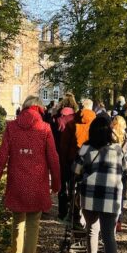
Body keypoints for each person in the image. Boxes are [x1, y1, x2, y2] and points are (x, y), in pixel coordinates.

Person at [0, 96, 60, 253]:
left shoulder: (11, 127)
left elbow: (1, 159)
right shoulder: (45, 128)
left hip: (16, 184)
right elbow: (53, 159)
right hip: (37, 185)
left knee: (17, 221)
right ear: (40, 109)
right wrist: (56, 184)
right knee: (33, 224)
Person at [74, 117, 126, 253]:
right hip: (111, 197)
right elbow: (124, 169)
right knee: (109, 235)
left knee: (92, 230)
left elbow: (75, 170)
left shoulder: (86, 147)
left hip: (90, 197)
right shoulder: (117, 149)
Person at [53, 93, 79, 221]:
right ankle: (73, 210)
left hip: (59, 155)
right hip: (73, 156)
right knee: (73, 184)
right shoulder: (77, 119)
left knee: (62, 184)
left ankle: (62, 211)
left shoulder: (57, 118)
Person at [111, 115, 127, 232]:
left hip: (111, 170)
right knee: (120, 196)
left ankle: (111, 219)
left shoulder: (109, 137)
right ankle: (119, 221)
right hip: (123, 171)